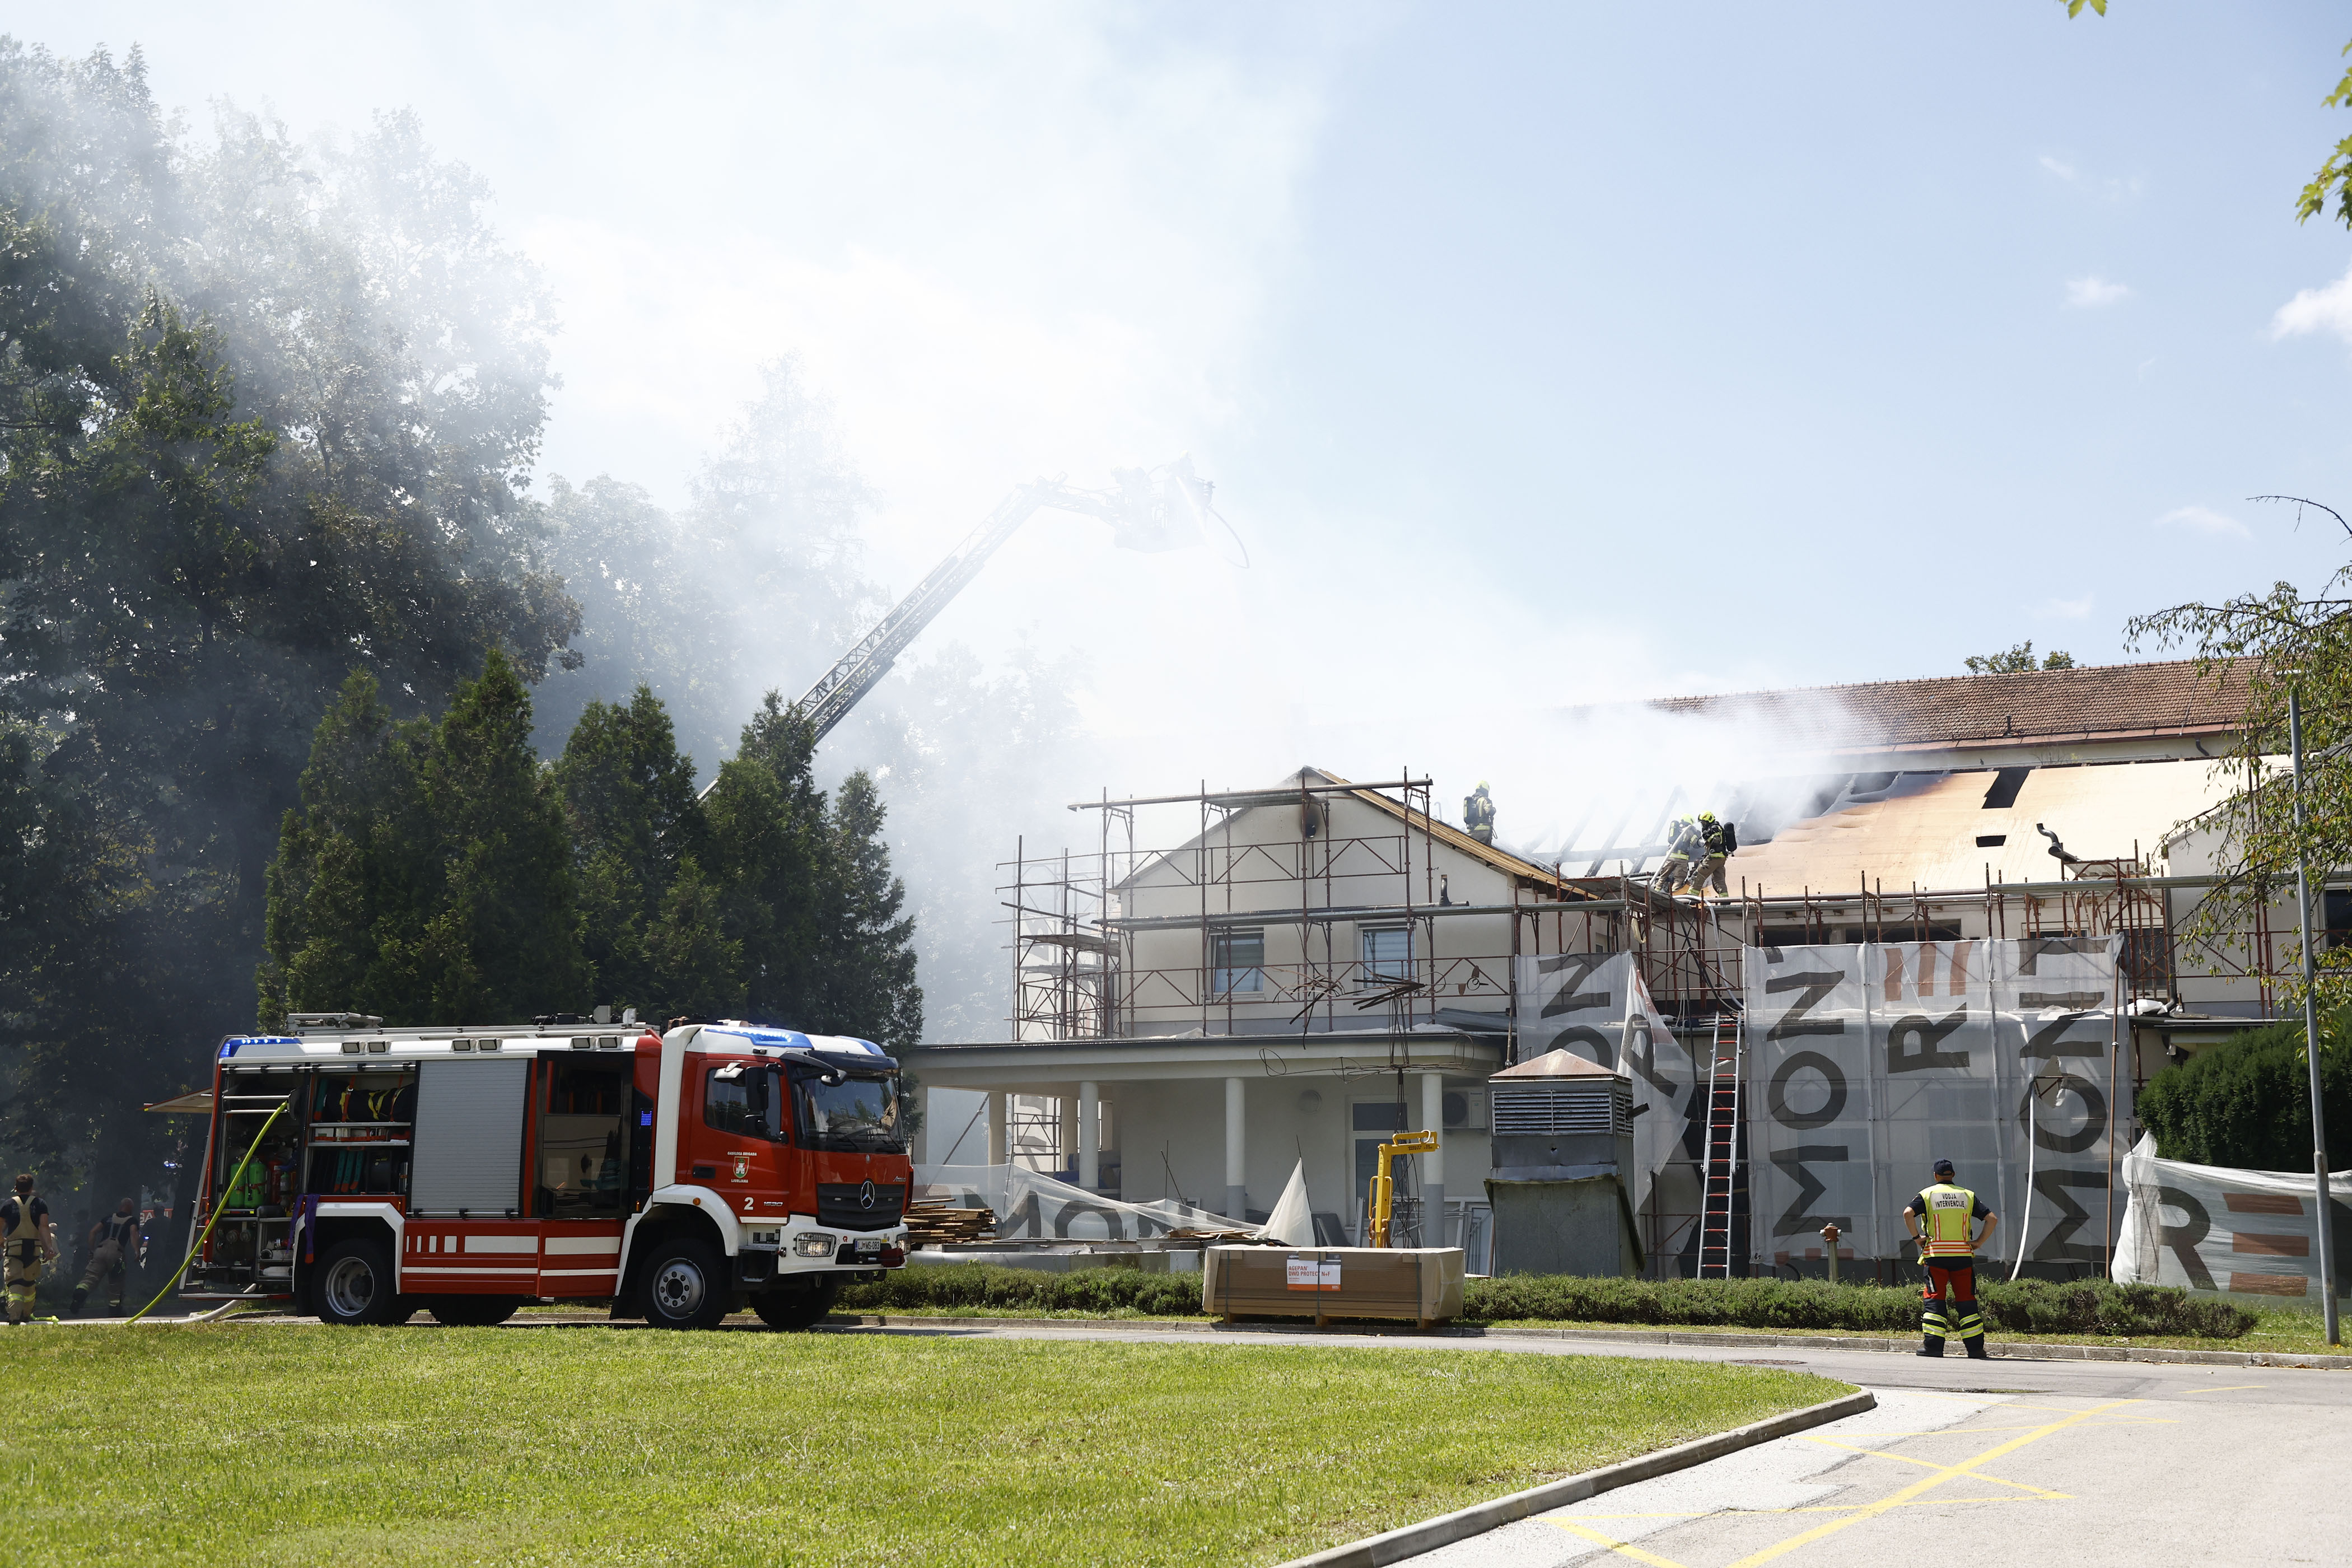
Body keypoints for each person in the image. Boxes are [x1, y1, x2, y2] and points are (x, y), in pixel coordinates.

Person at [1903, 1157, 1998, 1359]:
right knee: (1967, 1300)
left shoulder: (1927, 1195)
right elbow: (1992, 1219)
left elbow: (1908, 1213)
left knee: (1935, 1300)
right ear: (1953, 1175)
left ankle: (1934, 1348)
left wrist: (1916, 1238)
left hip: (1936, 1257)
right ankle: (1975, 1350)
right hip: (1962, 1257)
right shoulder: (1967, 1195)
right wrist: (1979, 1242)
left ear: (1935, 1176)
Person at [1, 1174, 57, 1325]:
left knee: (14, 1283)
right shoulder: (40, 1204)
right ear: (32, 1188)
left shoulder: (7, 1205)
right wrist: (49, 1248)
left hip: (14, 1249)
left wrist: (2, 1243)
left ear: (16, 1188)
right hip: (33, 1249)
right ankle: (26, 1314)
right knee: (29, 1282)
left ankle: (14, 1317)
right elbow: (43, 1227)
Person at [71, 1197, 141, 1317]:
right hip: (117, 1253)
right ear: (131, 1209)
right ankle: (114, 1310)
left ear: (120, 1207)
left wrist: (92, 1250)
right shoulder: (132, 1221)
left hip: (100, 1250)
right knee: (116, 1283)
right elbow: (133, 1234)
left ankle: (79, 1295)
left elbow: (93, 1232)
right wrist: (136, 1250)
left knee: (90, 1278)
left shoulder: (108, 1218)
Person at [1688, 811, 1739, 898]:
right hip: (1720, 858)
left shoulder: (1714, 828)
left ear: (1708, 820)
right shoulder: (1715, 828)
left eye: (1704, 822)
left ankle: (1691, 898)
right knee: (1719, 880)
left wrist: (1707, 836)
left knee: (1698, 875)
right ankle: (1725, 900)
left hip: (1713, 858)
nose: (1703, 825)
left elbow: (1717, 840)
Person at [1651, 813, 1700, 895]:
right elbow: (1696, 845)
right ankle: (1673, 896)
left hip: (1670, 857)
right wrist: (1697, 835)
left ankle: (1656, 893)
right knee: (1679, 879)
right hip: (1682, 859)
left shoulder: (1676, 829)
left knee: (1663, 877)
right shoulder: (1689, 831)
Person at [1463, 782, 1496, 846]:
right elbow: (1489, 811)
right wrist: (1494, 810)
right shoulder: (1484, 800)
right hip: (1483, 833)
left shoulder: (1472, 800)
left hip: (1471, 831)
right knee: (1485, 851)